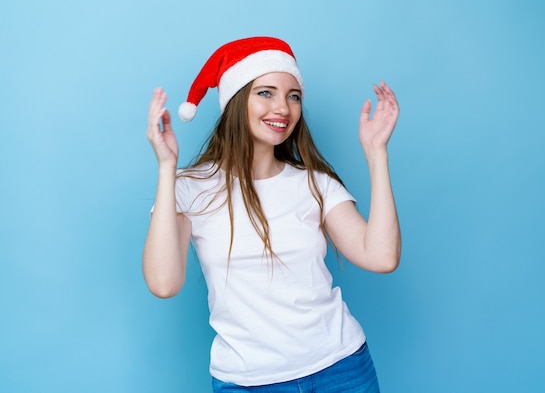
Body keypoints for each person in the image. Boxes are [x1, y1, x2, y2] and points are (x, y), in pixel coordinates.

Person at [143, 36, 401, 392]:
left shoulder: (315, 184)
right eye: (266, 92)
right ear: (236, 100)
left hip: (342, 369)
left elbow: (382, 257)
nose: (283, 107)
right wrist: (166, 169)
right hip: (250, 382)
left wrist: (376, 153)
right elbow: (164, 283)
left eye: (293, 96)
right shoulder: (190, 188)